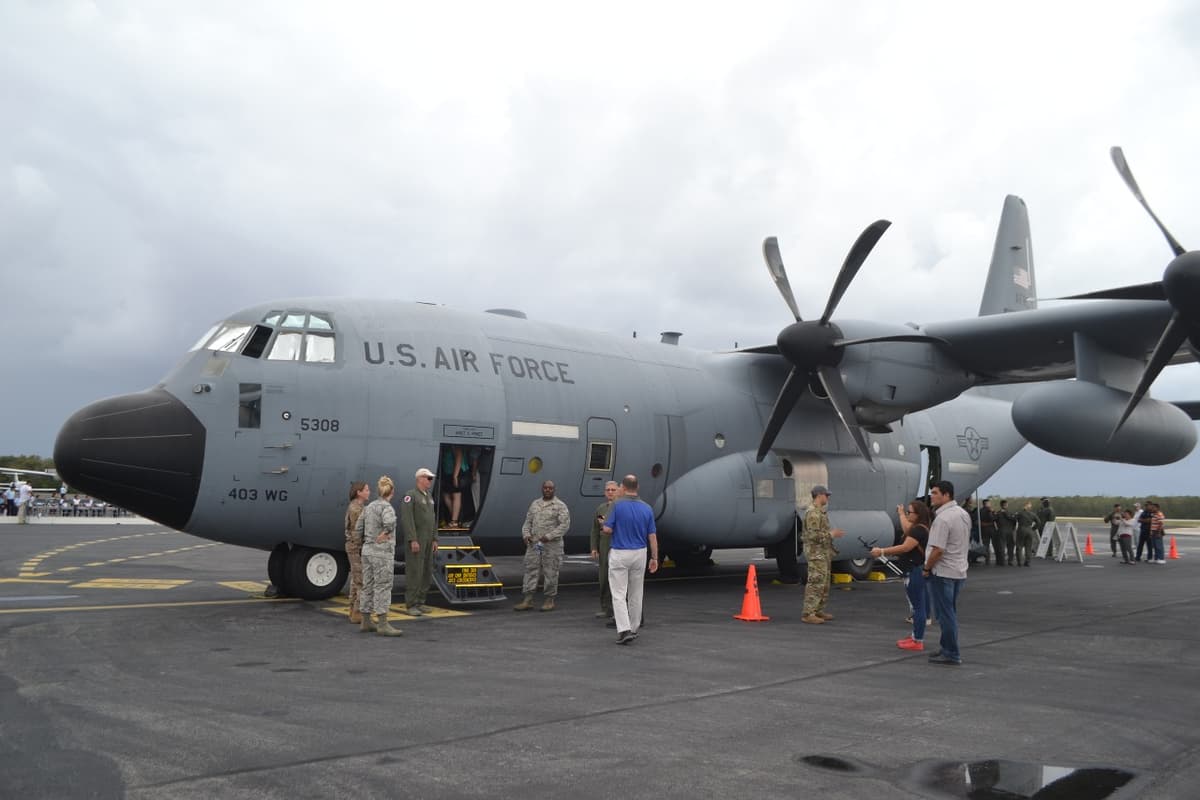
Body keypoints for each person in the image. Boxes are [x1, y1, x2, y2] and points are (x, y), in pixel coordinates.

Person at [602, 474, 658, 644]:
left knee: (619, 593)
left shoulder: (616, 505)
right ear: (637, 487)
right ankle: (634, 628)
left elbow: (607, 530)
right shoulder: (647, 508)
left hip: (620, 551)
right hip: (640, 553)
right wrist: (654, 557)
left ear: (623, 488)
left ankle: (624, 629)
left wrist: (603, 524)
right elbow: (653, 536)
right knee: (636, 592)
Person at [872, 499, 932, 651]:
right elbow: (907, 530)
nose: (907, 514)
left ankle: (917, 640)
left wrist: (882, 551)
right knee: (919, 606)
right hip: (916, 569)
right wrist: (902, 514)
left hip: (914, 570)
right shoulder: (921, 528)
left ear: (917, 515)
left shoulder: (918, 530)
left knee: (918, 607)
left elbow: (905, 547)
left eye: (909, 512)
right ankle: (915, 636)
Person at [923, 480, 970, 665]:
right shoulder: (963, 514)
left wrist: (926, 568)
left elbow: (938, 550)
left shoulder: (942, 519)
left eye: (935, 493)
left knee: (945, 614)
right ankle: (946, 647)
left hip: (943, 572)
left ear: (946, 495)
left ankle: (951, 652)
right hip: (958, 570)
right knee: (949, 612)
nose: (931, 496)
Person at [514, 480, 571, 612]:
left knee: (551, 572)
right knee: (530, 570)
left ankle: (549, 600)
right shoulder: (535, 504)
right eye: (545, 488)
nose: (547, 490)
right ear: (542, 489)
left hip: (552, 546)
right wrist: (526, 535)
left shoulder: (560, 506)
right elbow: (527, 521)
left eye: (550, 488)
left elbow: (564, 525)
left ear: (554, 490)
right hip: (534, 544)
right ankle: (528, 599)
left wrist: (549, 536)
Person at [357, 476, 403, 637]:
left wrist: (367, 541)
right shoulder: (387, 508)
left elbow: (358, 528)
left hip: (367, 551)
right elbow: (390, 523)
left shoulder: (368, 507)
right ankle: (383, 624)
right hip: (382, 553)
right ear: (392, 492)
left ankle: (365, 620)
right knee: (383, 586)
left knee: (367, 585)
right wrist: (385, 534)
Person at [801, 485, 845, 625]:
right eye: (826, 495)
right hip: (816, 554)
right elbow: (813, 535)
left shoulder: (820, 512)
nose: (828, 497)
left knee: (824, 583)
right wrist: (831, 534)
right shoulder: (813, 513)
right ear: (819, 495)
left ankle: (818, 610)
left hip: (823, 553)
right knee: (816, 582)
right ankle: (808, 613)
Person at [400, 467, 439, 615]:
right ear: (420, 479)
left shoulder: (429, 497)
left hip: (429, 540)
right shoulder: (410, 496)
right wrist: (412, 539)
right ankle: (411, 604)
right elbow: (407, 519)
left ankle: (421, 601)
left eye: (431, 479)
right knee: (415, 571)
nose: (430, 481)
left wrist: (435, 538)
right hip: (418, 540)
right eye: (428, 478)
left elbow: (433, 519)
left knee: (426, 570)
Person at [589, 481, 619, 619]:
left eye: (613, 489)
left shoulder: (621, 507)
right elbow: (595, 529)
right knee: (603, 578)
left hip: (618, 547)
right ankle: (605, 608)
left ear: (618, 491)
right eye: (608, 490)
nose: (610, 492)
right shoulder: (601, 508)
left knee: (618, 581)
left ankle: (618, 610)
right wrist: (594, 547)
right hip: (604, 547)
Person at [343, 481, 370, 624]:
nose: (368, 492)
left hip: (354, 546)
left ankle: (353, 611)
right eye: (366, 490)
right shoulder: (356, 509)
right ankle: (357, 612)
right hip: (357, 547)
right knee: (361, 580)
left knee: (355, 579)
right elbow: (357, 531)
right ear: (358, 492)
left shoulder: (358, 506)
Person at [441, 446, 469, 528]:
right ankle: (455, 518)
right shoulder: (447, 447)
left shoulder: (454, 445)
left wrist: (455, 476)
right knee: (446, 495)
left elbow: (459, 457)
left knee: (456, 495)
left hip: (457, 473)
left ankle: (454, 522)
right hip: (448, 472)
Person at [1015, 501, 1039, 566]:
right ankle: (1027, 562)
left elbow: (1014, 519)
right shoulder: (1033, 514)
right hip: (1029, 530)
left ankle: (1019, 562)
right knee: (1028, 547)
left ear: (1024, 506)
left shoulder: (1020, 513)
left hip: (1021, 529)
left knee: (1019, 546)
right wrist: (1033, 529)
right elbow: (1039, 522)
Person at [994, 500, 1015, 566]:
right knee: (1010, 546)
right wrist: (1013, 528)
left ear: (1001, 505)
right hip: (1010, 531)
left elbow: (993, 519)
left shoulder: (998, 513)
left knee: (1001, 546)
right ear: (1006, 505)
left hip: (1001, 530)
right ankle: (1010, 560)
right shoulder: (1010, 513)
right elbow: (1014, 521)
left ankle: (1002, 561)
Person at [978, 499, 997, 565]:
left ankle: (987, 560)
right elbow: (994, 518)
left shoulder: (979, 511)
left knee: (986, 545)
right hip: (991, 528)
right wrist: (993, 512)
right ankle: (998, 559)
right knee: (995, 544)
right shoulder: (990, 510)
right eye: (989, 503)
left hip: (984, 529)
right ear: (987, 504)